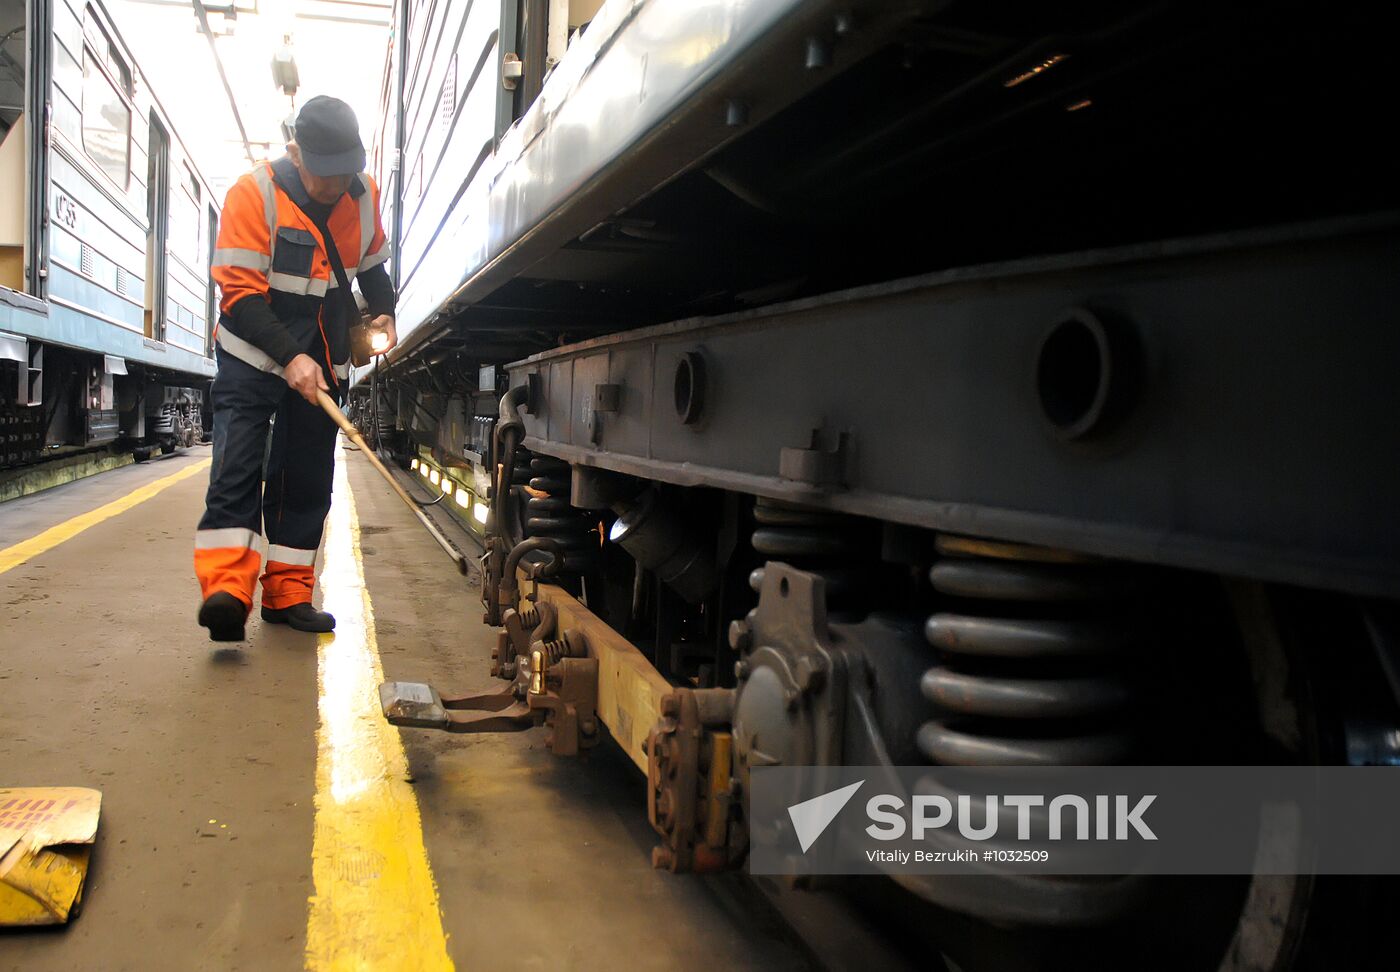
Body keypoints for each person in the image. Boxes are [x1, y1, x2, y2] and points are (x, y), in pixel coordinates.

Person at [194, 96, 397, 641]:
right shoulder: (253, 194)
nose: (335, 185)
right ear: (294, 152)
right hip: (252, 356)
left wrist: (386, 313)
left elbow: (373, 266)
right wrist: (291, 357)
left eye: (344, 172)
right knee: (238, 466)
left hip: (322, 360)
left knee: (307, 477)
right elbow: (240, 295)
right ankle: (227, 593)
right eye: (324, 173)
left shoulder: (363, 195)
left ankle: (288, 594)